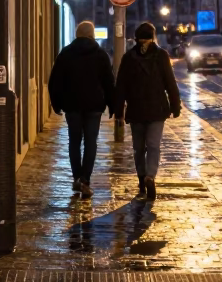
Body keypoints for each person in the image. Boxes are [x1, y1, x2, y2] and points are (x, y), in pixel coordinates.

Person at [48, 20, 116, 199]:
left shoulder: (66, 53)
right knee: (91, 142)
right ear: (92, 34)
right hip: (94, 106)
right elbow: (109, 83)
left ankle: (77, 176)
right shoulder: (101, 55)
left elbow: (55, 81)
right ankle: (85, 179)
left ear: (77, 34)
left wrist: (56, 103)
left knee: (74, 141)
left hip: (72, 105)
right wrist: (112, 105)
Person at [114, 22, 181, 200]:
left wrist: (119, 111)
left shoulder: (129, 57)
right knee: (153, 146)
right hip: (157, 109)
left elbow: (121, 87)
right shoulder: (161, 56)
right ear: (153, 37)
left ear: (136, 38)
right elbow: (170, 83)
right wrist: (175, 106)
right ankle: (151, 175)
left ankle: (142, 180)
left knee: (138, 148)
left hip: (136, 109)